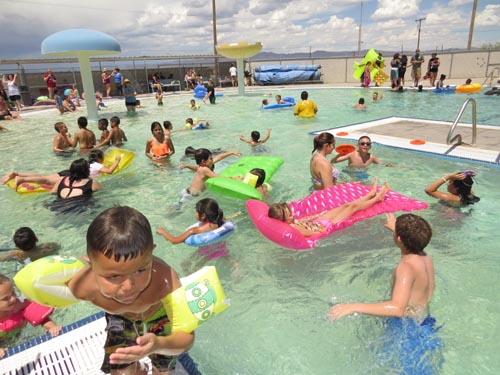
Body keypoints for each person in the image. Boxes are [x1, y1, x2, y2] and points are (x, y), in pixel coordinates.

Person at [66, 206, 194, 373]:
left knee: (163, 369)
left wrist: (158, 345)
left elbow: (187, 339)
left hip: (159, 317)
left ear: (151, 255)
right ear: (91, 265)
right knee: (120, 371)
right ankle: (139, 369)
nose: (128, 287)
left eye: (140, 270)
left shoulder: (166, 281)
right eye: (113, 276)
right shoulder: (82, 288)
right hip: (121, 318)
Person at [328, 212, 435, 324]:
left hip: (407, 325)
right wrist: (396, 230)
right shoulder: (424, 256)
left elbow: (397, 309)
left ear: (399, 239)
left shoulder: (406, 267)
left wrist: (353, 307)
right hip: (425, 319)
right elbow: (411, 240)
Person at [268, 179, 389, 237]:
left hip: (319, 221)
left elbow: (304, 220)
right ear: (282, 220)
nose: (293, 215)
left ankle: (370, 194)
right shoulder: (293, 229)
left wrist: (319, 216)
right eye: (289, 215)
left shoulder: (291, 222)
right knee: (352, 207)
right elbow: (316, 233)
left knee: (345, 205)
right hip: (326, 226)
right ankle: (376, 199)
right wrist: (330, 223)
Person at [0, 274, 62, 358]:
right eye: (6, 298)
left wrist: (51, 327)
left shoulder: (19, 305)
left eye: (13, 292)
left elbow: (40, 317)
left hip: (21, 336)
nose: (13, 298)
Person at [157, 198, 225, 244]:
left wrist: (163, 232)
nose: (195, 213)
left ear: (203, 216)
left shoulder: (196, 230)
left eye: (196, 211)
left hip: (206, 252)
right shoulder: (221, 220)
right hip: (222, 249)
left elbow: (175, 240)